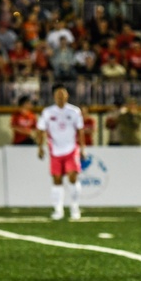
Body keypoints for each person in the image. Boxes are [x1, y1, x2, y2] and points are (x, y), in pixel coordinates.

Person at [35, 83, 86, 220]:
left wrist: (82, 149)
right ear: (54, 96)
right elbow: (40, 130)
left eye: (63, 95)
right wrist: (40, 147)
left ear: (67, 95)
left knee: (72, 177)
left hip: (71, 149)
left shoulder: (74, 111)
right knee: (57, 180)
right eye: (58, 95)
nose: (61, 97)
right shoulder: (48, 112)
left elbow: (80, 131)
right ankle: (58, 209)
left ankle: (75, 208)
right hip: (55, 150)